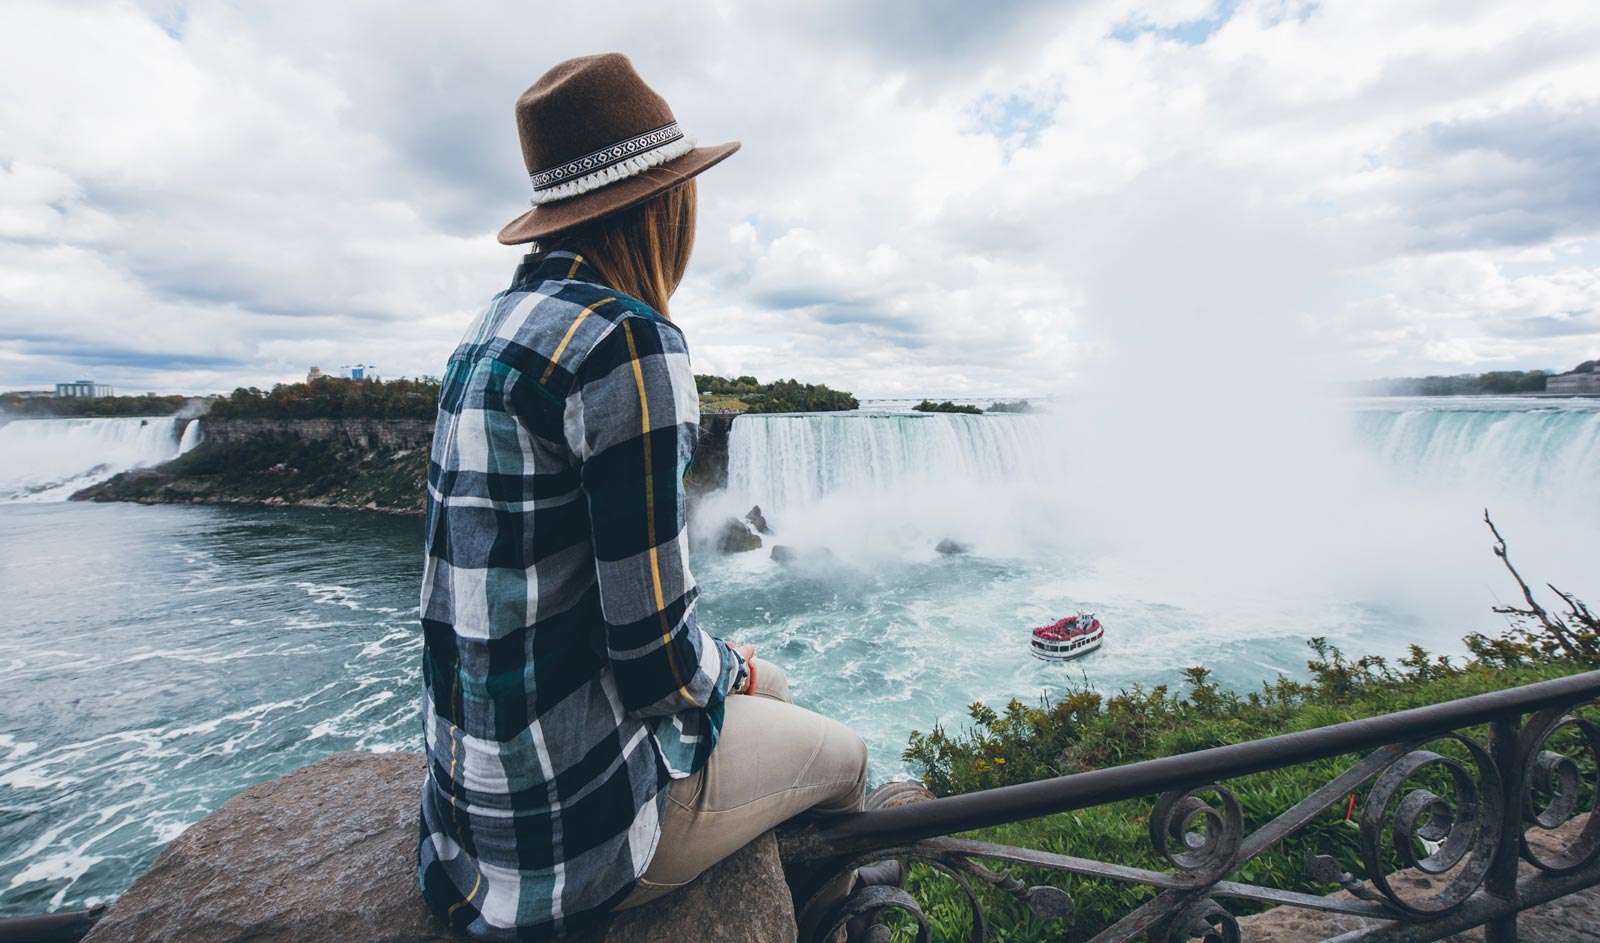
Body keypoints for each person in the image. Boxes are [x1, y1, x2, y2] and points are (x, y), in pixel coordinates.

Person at [417, 53, 881, 941]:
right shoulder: (629, 344)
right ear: (665, 204)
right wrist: (734, 666)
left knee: (767, 682)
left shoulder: (487, 332)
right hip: (572, 833)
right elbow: (657, 657)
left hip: (467, 815)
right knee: (843, 752)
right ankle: (827, 925)